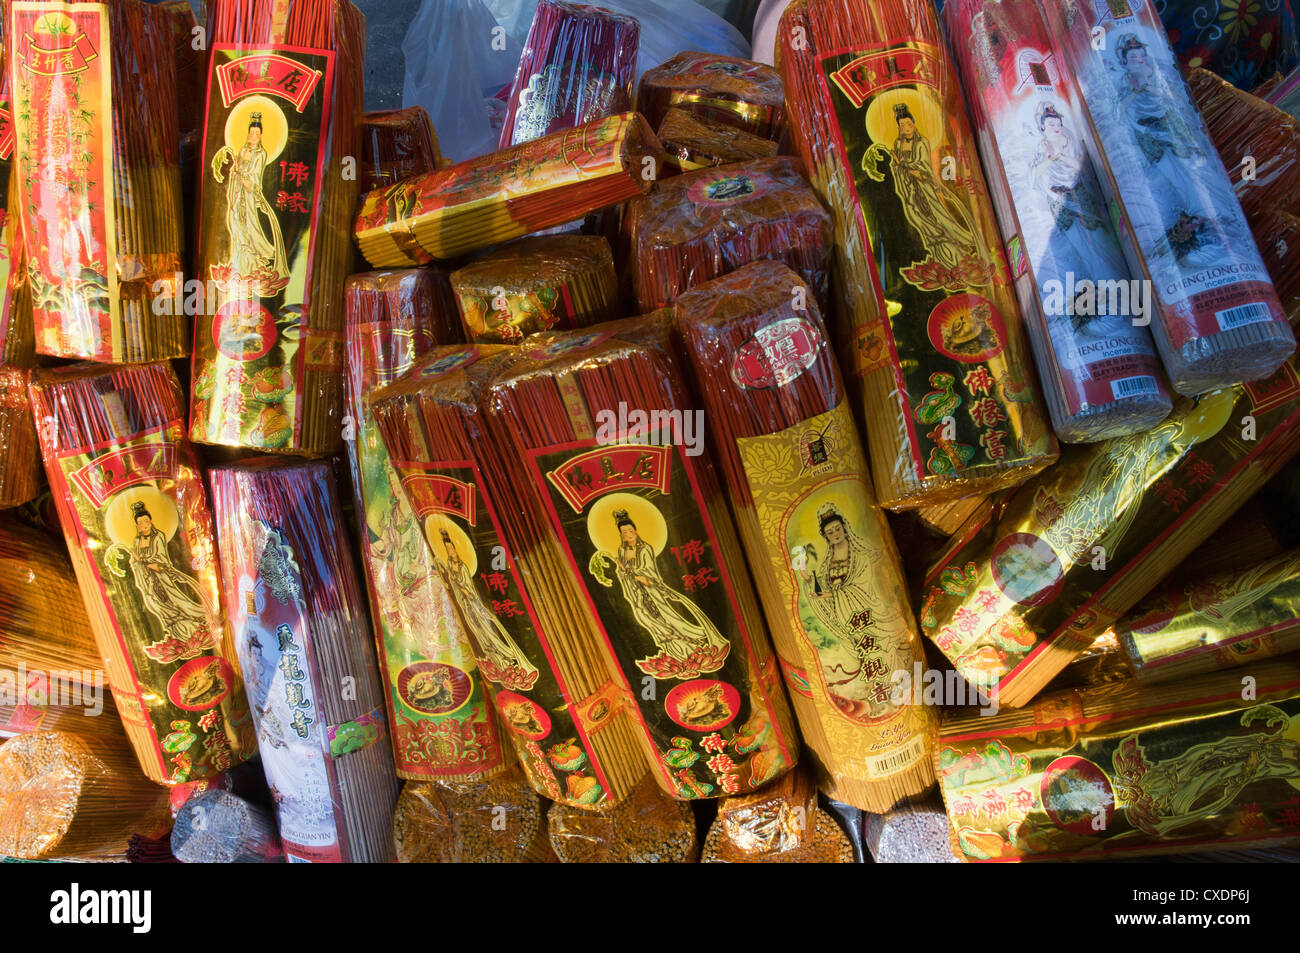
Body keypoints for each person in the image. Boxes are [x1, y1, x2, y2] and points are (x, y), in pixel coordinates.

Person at [795, 503, 904, 707]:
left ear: (844, 527)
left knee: (880, 653)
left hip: (866, 616)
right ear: (825, 536)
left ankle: (895, 690)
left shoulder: (860, 556)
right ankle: (877, 699)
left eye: (837, 528)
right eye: (829, 532)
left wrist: (831, 593)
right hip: (847, 620)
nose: (835, 534)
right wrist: (809, 580)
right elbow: (822, 588)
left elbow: (860, 586)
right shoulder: (827, 563)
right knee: (863, 660)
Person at [605, 509, 729, 665]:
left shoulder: (645, 549)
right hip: (637, 594)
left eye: (630, 530)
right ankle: (675, 654)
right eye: (624, 532)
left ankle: (691, 650)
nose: (628, 534)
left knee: (667, 619)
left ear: (635, 531)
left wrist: (633, 574)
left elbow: (650, 573)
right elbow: (623, 573)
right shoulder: (622, 550)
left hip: (652, 591)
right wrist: (622, 569)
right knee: (647, 620)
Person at [880, 102, 981, 273]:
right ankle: (942, 258)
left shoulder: (921, 142)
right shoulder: (898, 143)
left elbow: (923, 166)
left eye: (909, 123)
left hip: (925, 188)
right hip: (910, 191)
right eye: (902, 125)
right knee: (920, 220)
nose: (906, 128)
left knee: (940, 217)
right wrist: (897, 166)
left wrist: (903, 165)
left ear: (914, 123)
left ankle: (962, 249)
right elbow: (897, 166)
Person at [436, 528, 537, 686]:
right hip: (466, 606)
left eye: (452, 549)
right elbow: (455, 586)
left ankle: (505, 655)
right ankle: (496, 657)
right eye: (448, 550)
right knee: (479, 632)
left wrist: (466, 591)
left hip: (476, 604)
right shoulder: (450, 568)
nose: (451, 552)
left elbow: (468, 585)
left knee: (489, 629)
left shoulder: (463, 567)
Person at [126, 501, 216, 662]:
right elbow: (135, 561)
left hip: (162, 576)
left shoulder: (158, 536)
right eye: (140, 523)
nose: (144, 525)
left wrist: (145, 562)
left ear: (151, 521)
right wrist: (137, 562)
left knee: (176, 601)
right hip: (147, 580)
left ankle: (192, 631)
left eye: (146, 521)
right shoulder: (137, 541)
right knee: (157, 604)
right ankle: (177, 635)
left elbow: (161, 559)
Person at [212, 112, 290, 294]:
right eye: (251, 133)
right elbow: (237, 170)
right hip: (238, 193)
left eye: (257, 133)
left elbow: (255, 177)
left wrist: (244, 178)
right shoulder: (243, 150)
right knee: (237, 225)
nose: (253, 136)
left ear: (261, 135)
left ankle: (252, 265)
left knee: (249, 227)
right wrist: (235, 170)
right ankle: (240, 265)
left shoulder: (261, 153)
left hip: (248, 194)